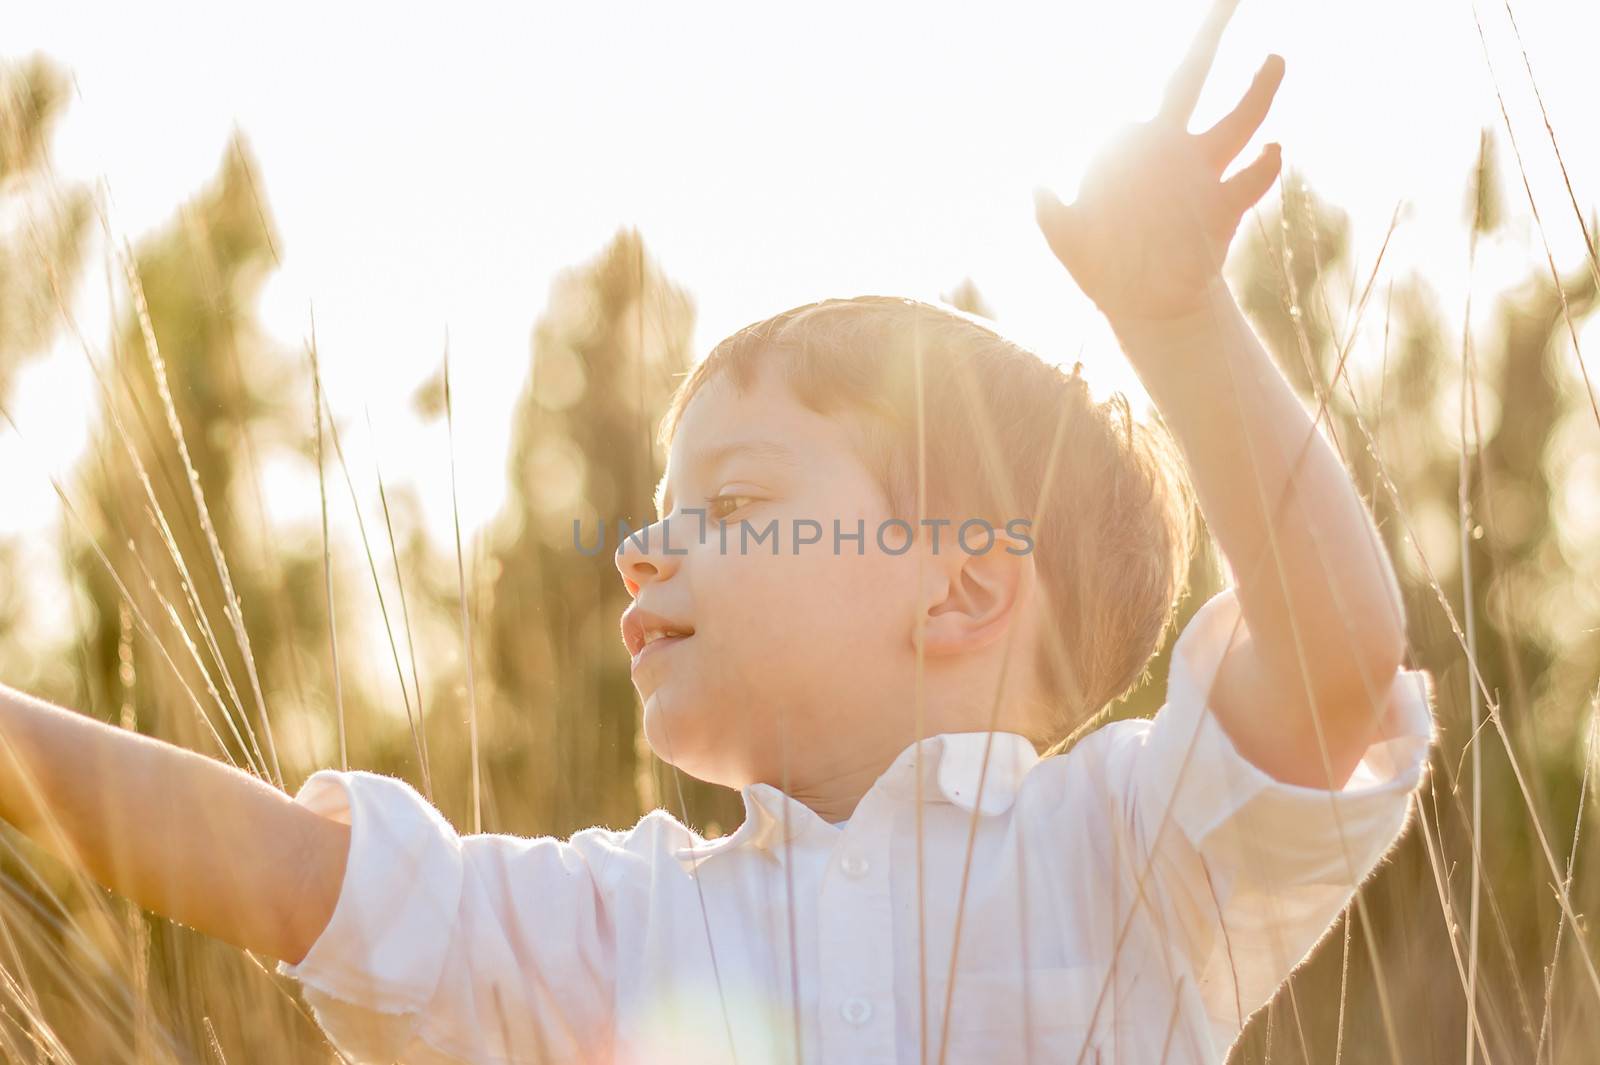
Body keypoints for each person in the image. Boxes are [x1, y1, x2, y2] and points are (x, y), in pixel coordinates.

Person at [0, 2, 1436, 1061]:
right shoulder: (623, 924)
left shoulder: (1135, 851)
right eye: (659, 513)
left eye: (733, 505)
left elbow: (1339, 661)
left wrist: (1177, 320)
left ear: (962, 587)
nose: (639, 548)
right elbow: (296, 876)